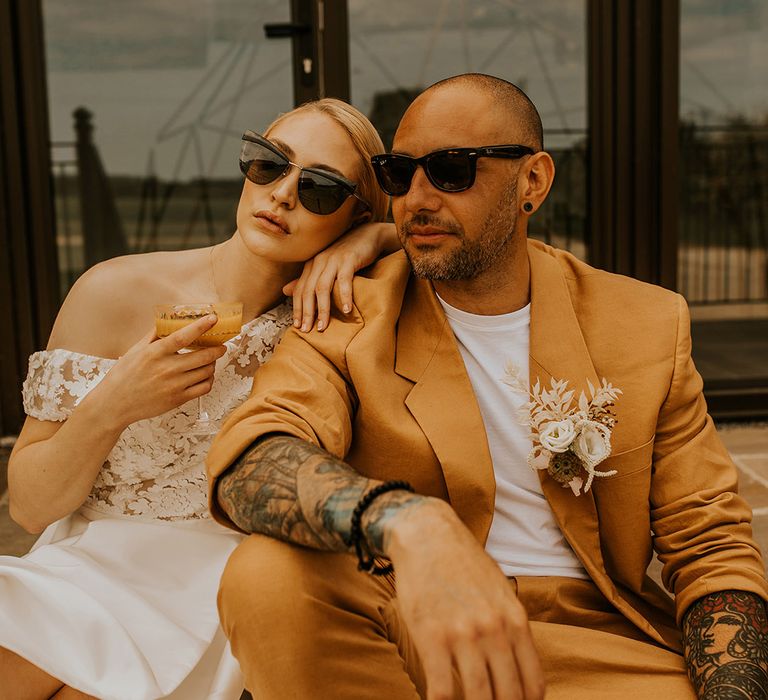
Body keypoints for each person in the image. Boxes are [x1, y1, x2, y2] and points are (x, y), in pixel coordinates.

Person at [208, 74, 768, 700]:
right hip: (411, 625)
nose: (417, 199)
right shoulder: (348, 312)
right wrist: (408, 523)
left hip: (597, 648)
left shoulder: (646, 324)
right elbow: (251, 459)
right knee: (268, 575)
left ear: (533, 181)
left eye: (450, 170)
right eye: (398, 174)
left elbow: (711, 544)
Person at [0, 98, 396, 700]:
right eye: (269, 164)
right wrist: (114, 403)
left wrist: (374, 239)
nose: (284, 194)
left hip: (214, 592)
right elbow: (29, 507)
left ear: (353, 214)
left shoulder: (333, 320)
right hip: (87, 568)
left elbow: (457, 249)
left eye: (320, 188)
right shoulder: (116, 290)